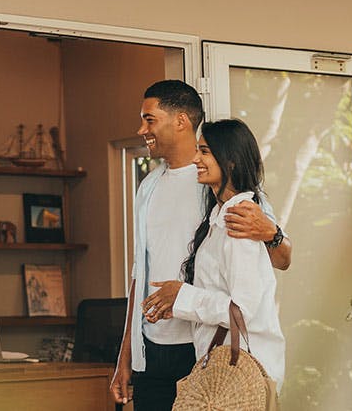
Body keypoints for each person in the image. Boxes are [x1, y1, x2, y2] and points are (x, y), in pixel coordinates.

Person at [111, 80, 291, 410]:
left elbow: (280, 260)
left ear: (180, 120)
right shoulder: (148, 187)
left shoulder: (226, 193)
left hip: (205, 348)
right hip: (152, 350)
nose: (141, 130)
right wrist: (126, 357)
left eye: (149, 119)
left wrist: (272, 233)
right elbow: (140, 273)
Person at [144, 119, 286, 391]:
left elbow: (242, 310)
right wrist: (175, 305)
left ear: (230, 161)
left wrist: (182, 296)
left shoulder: (239, 219)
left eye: (205, 152)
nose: (196, 159)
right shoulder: (218, 217)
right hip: (225, 370)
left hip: (244, 376)